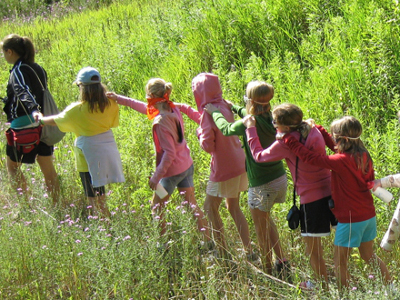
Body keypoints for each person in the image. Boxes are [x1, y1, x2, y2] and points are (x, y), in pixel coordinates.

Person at [270, 115, 391, 290]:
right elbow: (334, 148)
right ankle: (390, 286)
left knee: (340, 263)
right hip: (368, 216)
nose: (332, 139)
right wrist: (318, 128)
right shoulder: (362, 154)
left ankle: (344, 295)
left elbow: (311, 158)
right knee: (368, 255)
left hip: (350, 220)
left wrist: (288, 139)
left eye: (334, 136)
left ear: (342, 139)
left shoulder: (340, 161)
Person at [242, 103, 337, 289]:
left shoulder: (286, 143)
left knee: (312, 247)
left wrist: (250, 129)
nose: (273, 125)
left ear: (285, 126)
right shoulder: (313, 129)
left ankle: (320, 285)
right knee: (341, 240)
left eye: (274, 122)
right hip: (331, 190)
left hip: (312, 198)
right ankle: (340, 280)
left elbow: (259, 156)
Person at [202, 80, 290, 277]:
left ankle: (268, 273)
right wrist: (232, 106)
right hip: (279, 178)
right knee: (266, 219)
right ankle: (282, 260)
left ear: (250, 100)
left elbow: (225, 129)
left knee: (261, 230)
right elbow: (249, 113)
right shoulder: (273, 116)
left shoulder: (248, 123)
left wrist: (213, 111)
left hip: (262, 184)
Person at [106, 78, 210, 243]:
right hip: (186, 166)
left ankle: (161, 245)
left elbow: (169, 154)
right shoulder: (172, 107)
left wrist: (156, 177)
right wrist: (120, 99)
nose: (146, 99)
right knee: (192, 205)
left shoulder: (161, 122)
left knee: (157, 206)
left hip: (170, 174)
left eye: (147, 96)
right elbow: (144, 108)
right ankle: (208, 240)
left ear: (153, 95)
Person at [40, 67, 125, 217]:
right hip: (106, 150)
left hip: (87, 156)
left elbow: (54, 120)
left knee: (92, 196)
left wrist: (39, 118)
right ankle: (104, 223)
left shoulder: (76, 110)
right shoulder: (110, 104)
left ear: (82, 88)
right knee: (100, 193)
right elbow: (112, 123)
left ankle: (103, 227)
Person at [1, 34, 60, 205]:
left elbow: (22, 90)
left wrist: (33, 110)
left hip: (23, 126)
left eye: (3, 52)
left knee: (13, 167)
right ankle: (57, 205)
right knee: (48, 169)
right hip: (43, 124)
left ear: (10, 52)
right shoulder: (38, 68)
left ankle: (25, 207)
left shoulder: (18, 70)